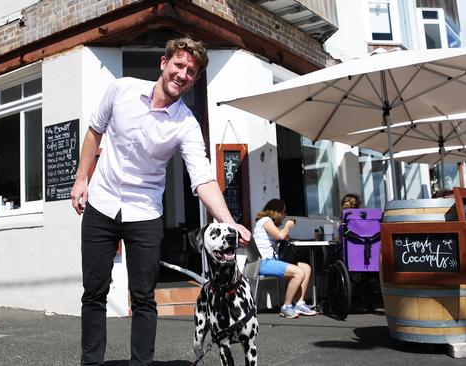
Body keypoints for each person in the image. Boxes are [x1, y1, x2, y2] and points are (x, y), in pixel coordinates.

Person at [70, 37, 251, 366]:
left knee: (143, 298)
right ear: (164, 64)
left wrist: (227, 221)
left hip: (144, 213)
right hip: (102, 202)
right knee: (93, 293)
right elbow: (95, 130)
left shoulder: (186, 124)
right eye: (179, 65)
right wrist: (82, 178)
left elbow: (203, 178)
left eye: (191, 72)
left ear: (195, 80)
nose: (183, 74)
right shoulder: (121, 89)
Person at [252, 198, 317, 318]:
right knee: (298, 272)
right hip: (264, 263)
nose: (285, 215)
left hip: (272, 261)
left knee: (306, 268)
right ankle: (286, 306)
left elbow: (281, 238)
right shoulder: (265, 220)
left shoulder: (269, 223)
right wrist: (287, 226)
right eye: (284, 211)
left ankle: (299, 303)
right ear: (277, 211)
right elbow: (280, 235)